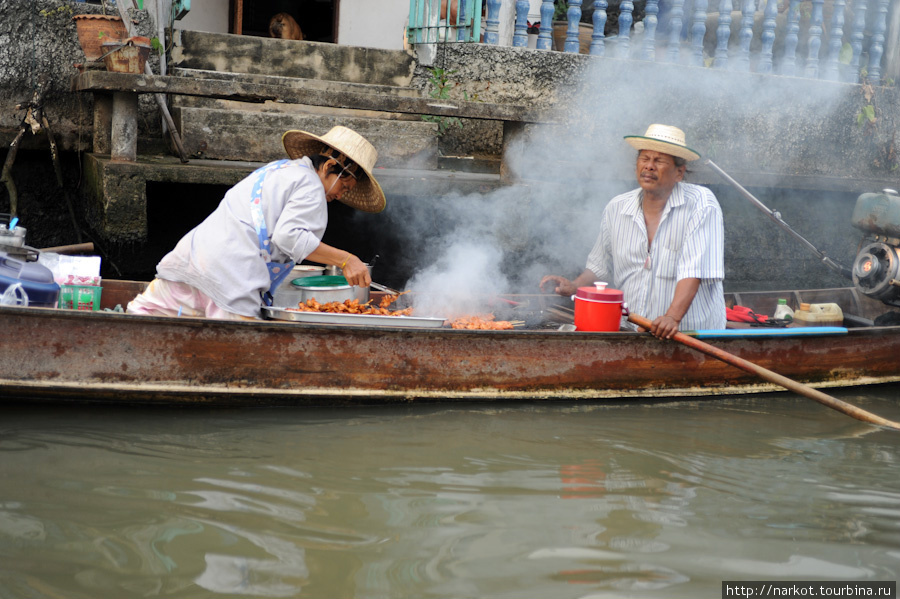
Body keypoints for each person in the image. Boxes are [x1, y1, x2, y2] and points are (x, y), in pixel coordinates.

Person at [127, 125, 385, 320]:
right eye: (344, 184)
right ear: (330, 166)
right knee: (236, 357)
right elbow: (289, 237)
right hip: (229, 279)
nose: (341, 194)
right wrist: (346, 259)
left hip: (190, 262)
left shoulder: (280, 169)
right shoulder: (311, 186)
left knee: (140, 320)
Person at [540, 123, 726, 339]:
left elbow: (694, 271)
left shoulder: (701, 204)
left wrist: (672, 318)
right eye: (644, 159)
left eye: (659, 161)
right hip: (632, 332)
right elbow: (600, 266)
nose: (649, 166)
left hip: (691, 335)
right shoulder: (617, 207)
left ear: (679, 172)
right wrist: (574, 286)